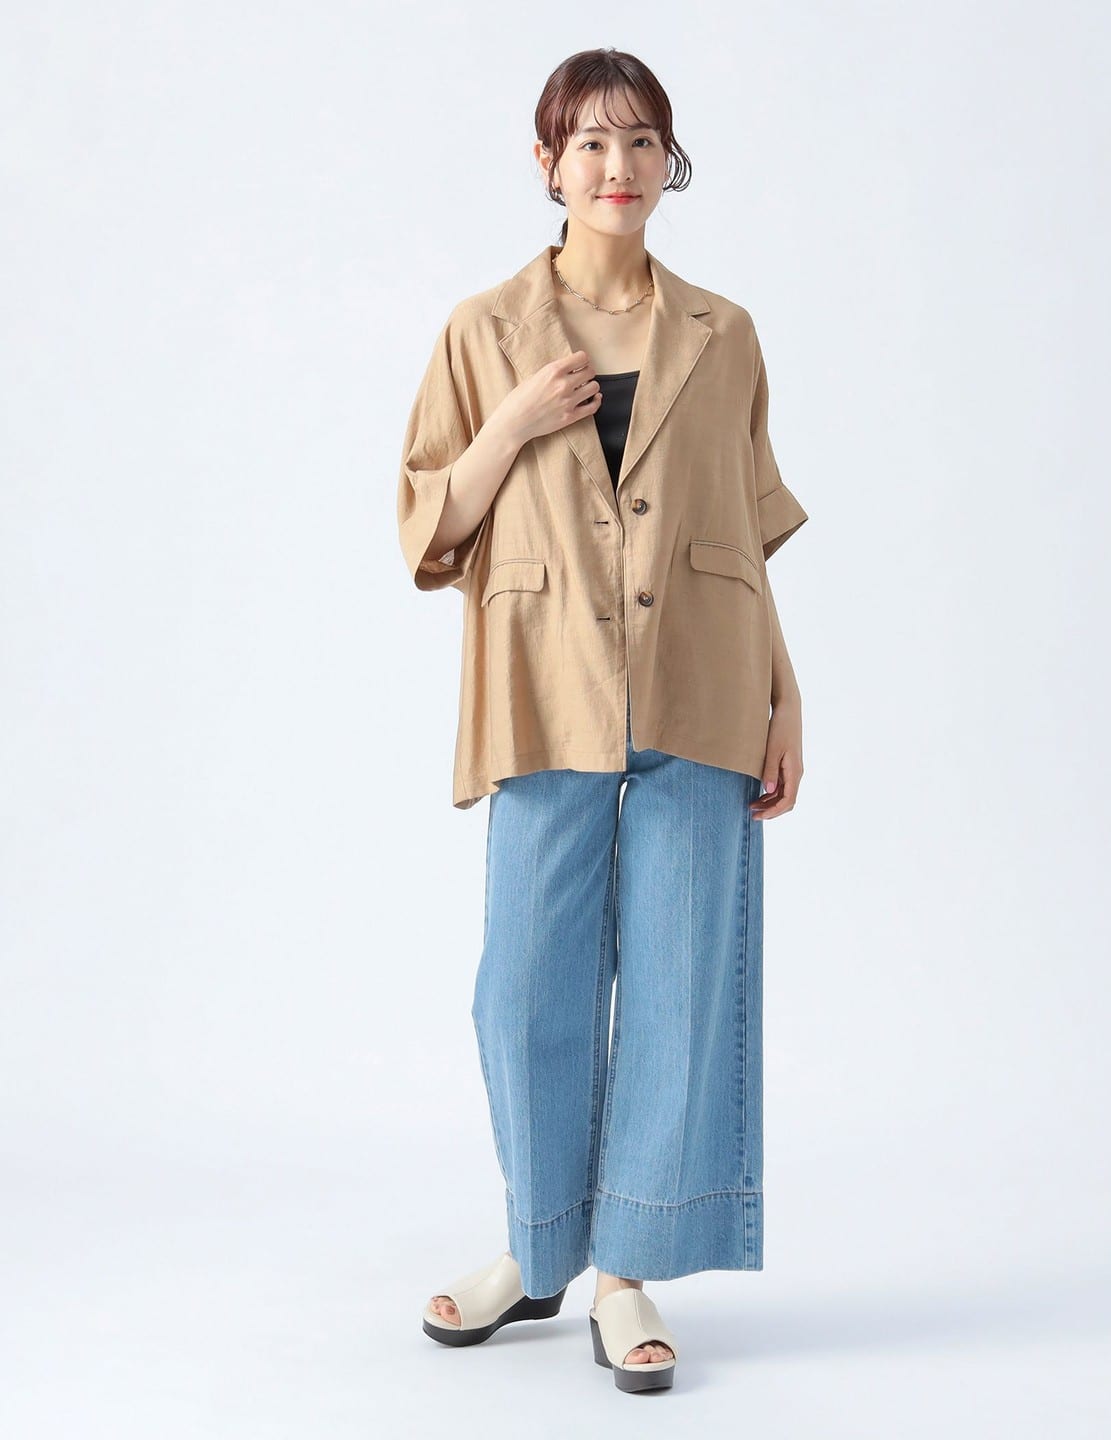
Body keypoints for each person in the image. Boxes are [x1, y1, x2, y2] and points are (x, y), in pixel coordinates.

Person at [398, 48, 808, 1393]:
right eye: (589, 143)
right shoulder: (483, 331)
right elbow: (427, 526)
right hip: (542, 678)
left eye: (640, 142)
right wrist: (515, 421)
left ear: (667, 162)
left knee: (682, 982)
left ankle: (624, 1269)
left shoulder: (723, 333)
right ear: (547, 164)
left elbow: (745, 533)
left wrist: (785, 693)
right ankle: (538, 1248)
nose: (616, 168)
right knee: (525, 986)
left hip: (703, 674)